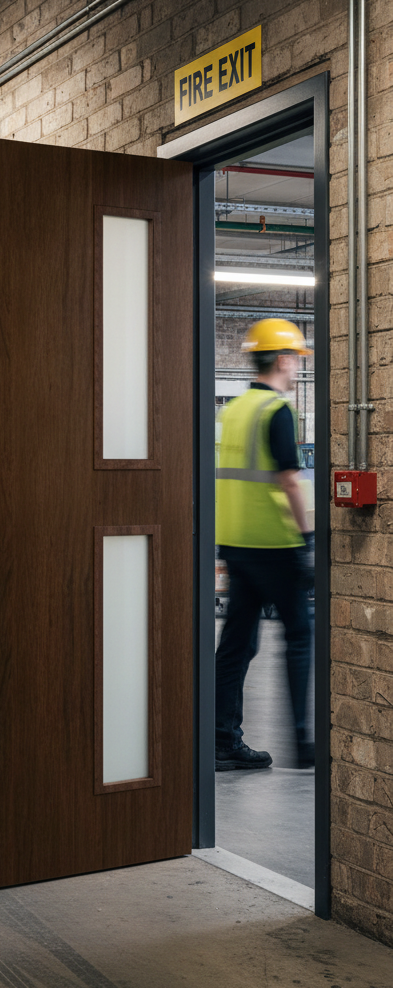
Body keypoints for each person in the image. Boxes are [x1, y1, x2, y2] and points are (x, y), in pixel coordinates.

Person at [214, 318, 315, 772]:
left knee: (237, 643)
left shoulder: (233, 410)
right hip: (275, 543)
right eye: (296, 360)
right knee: (299, 635)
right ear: (281, 359)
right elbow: (290, 481)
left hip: (235, 541)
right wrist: (307, 539)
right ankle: (302, 743)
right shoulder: (277, 410)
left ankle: (222, 740)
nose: (298, 369)